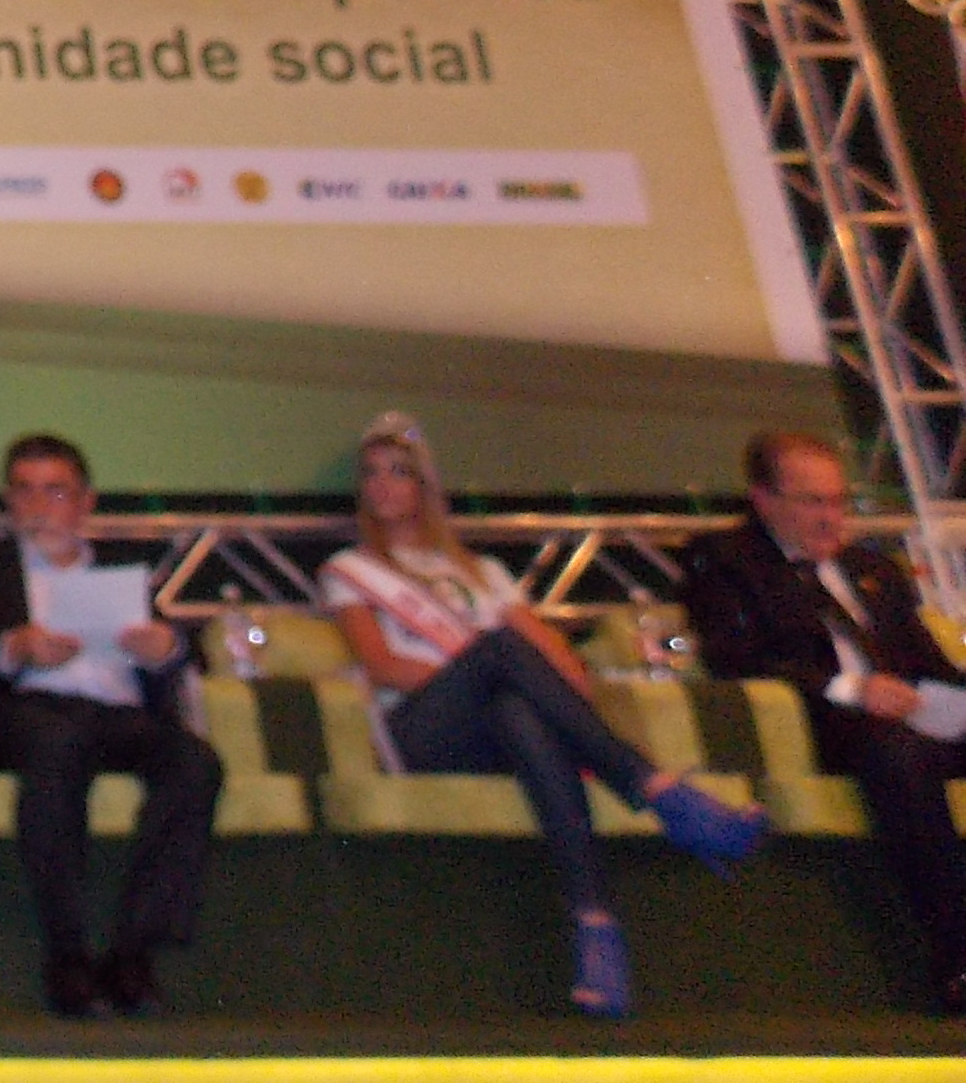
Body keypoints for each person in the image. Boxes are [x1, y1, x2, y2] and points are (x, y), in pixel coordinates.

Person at [327, 413, 763, 1018]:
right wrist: (476, 674)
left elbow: (553, 651)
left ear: (424, 487)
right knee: (501, 658)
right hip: (419, 728)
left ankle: (596, 927)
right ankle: (657, 787)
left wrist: (554, 687)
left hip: (495, 727)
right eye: (371, 474)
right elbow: (380, 665)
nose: (382, 486)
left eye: (399, 473)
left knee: (519, 712)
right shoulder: (348, 571)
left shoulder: (483, 572)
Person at [0, 431, 219, 1018]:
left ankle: (132, 954)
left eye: (55, 492)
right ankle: (68, 954)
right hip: (23, 713)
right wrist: (13, 649)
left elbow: (188, 661)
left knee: (195, 762)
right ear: (8, 501)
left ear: (86, 502)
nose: (39, 507)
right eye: (25, 492)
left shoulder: (121, 572)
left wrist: (163, 648)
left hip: (114, 715)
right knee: (58, 742)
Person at [682, 427, 966, 1014]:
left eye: (839, 500)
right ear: (765, 501)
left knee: (913, 741)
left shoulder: (873, 571)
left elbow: (927, 664)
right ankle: (957, 955)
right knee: (898, 755)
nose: (831, 516)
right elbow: (737, 658)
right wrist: (852, 688)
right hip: (829, 726)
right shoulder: (727, 562)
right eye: (814, 502)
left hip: (913, 722)